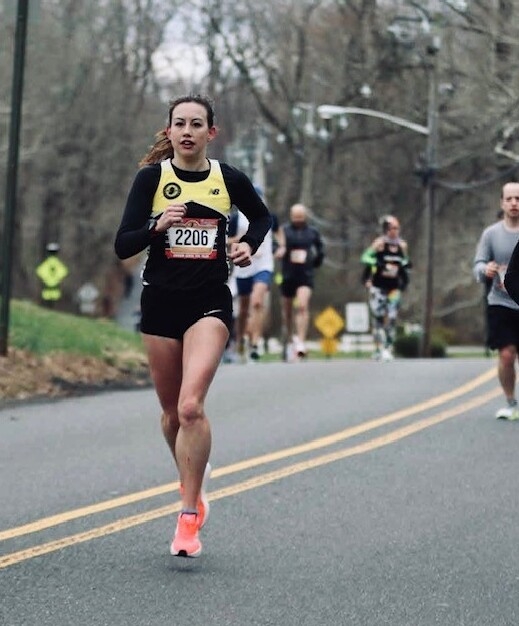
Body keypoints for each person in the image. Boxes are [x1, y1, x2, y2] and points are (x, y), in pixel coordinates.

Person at [114, 94, 271, 557]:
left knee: (189, 408)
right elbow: (123, 245)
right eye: (179, 123)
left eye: (196, 124)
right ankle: (193, 484)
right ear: (168, 131)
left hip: (209, 304)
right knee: (169, 415)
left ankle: (187, 518)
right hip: (160, 305)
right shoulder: (152, 180)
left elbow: (262, 217)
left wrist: (248, 244)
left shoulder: (227, 179)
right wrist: (157, 226)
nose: (187, 131)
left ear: (211, 133)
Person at [474, 181, 519, 420]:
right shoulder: (491, 234)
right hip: (500, 302)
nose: (514, 203)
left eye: (518, 199)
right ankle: (511, 402)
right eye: (509, 199)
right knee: (506, 354)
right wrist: (486, 269)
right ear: (502, 202)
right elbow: (478, 264)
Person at [227, 187, 278, 361]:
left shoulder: (269, 217)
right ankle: (241, 339)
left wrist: (281, 249)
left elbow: (280, 238)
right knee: (243, 309)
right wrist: (240, 239)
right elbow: (226, 239)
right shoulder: (236, 218)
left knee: (257, 303)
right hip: (243, 267)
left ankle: (255, 342)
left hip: (264, 265)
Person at [275, 203, 324, 360]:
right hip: (288, 275)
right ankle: (289, 340)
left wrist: (315, 262)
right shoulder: (284, 231)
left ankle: (301, 341)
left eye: (301, 217)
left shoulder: (312, 232)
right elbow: (275, 246)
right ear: (291, 216)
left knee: (302, 306)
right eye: (295, 217)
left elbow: (320, 249)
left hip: (305, 275)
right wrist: (279, 251)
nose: (298, 220)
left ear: (306, 217)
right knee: (288, 312)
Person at [360, 215, 411, 361]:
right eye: (391, 228)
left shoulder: (402, 245)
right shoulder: (379, 244)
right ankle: (378, 348)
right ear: (386, 230)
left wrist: (405, 267)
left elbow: (405, 261)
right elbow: (365, 257)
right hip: (378, 286)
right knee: (378, 317)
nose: (394, 231)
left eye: (397, 228)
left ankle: (389, 347)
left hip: (394, 287)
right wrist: (377, 263)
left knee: (392, 317)